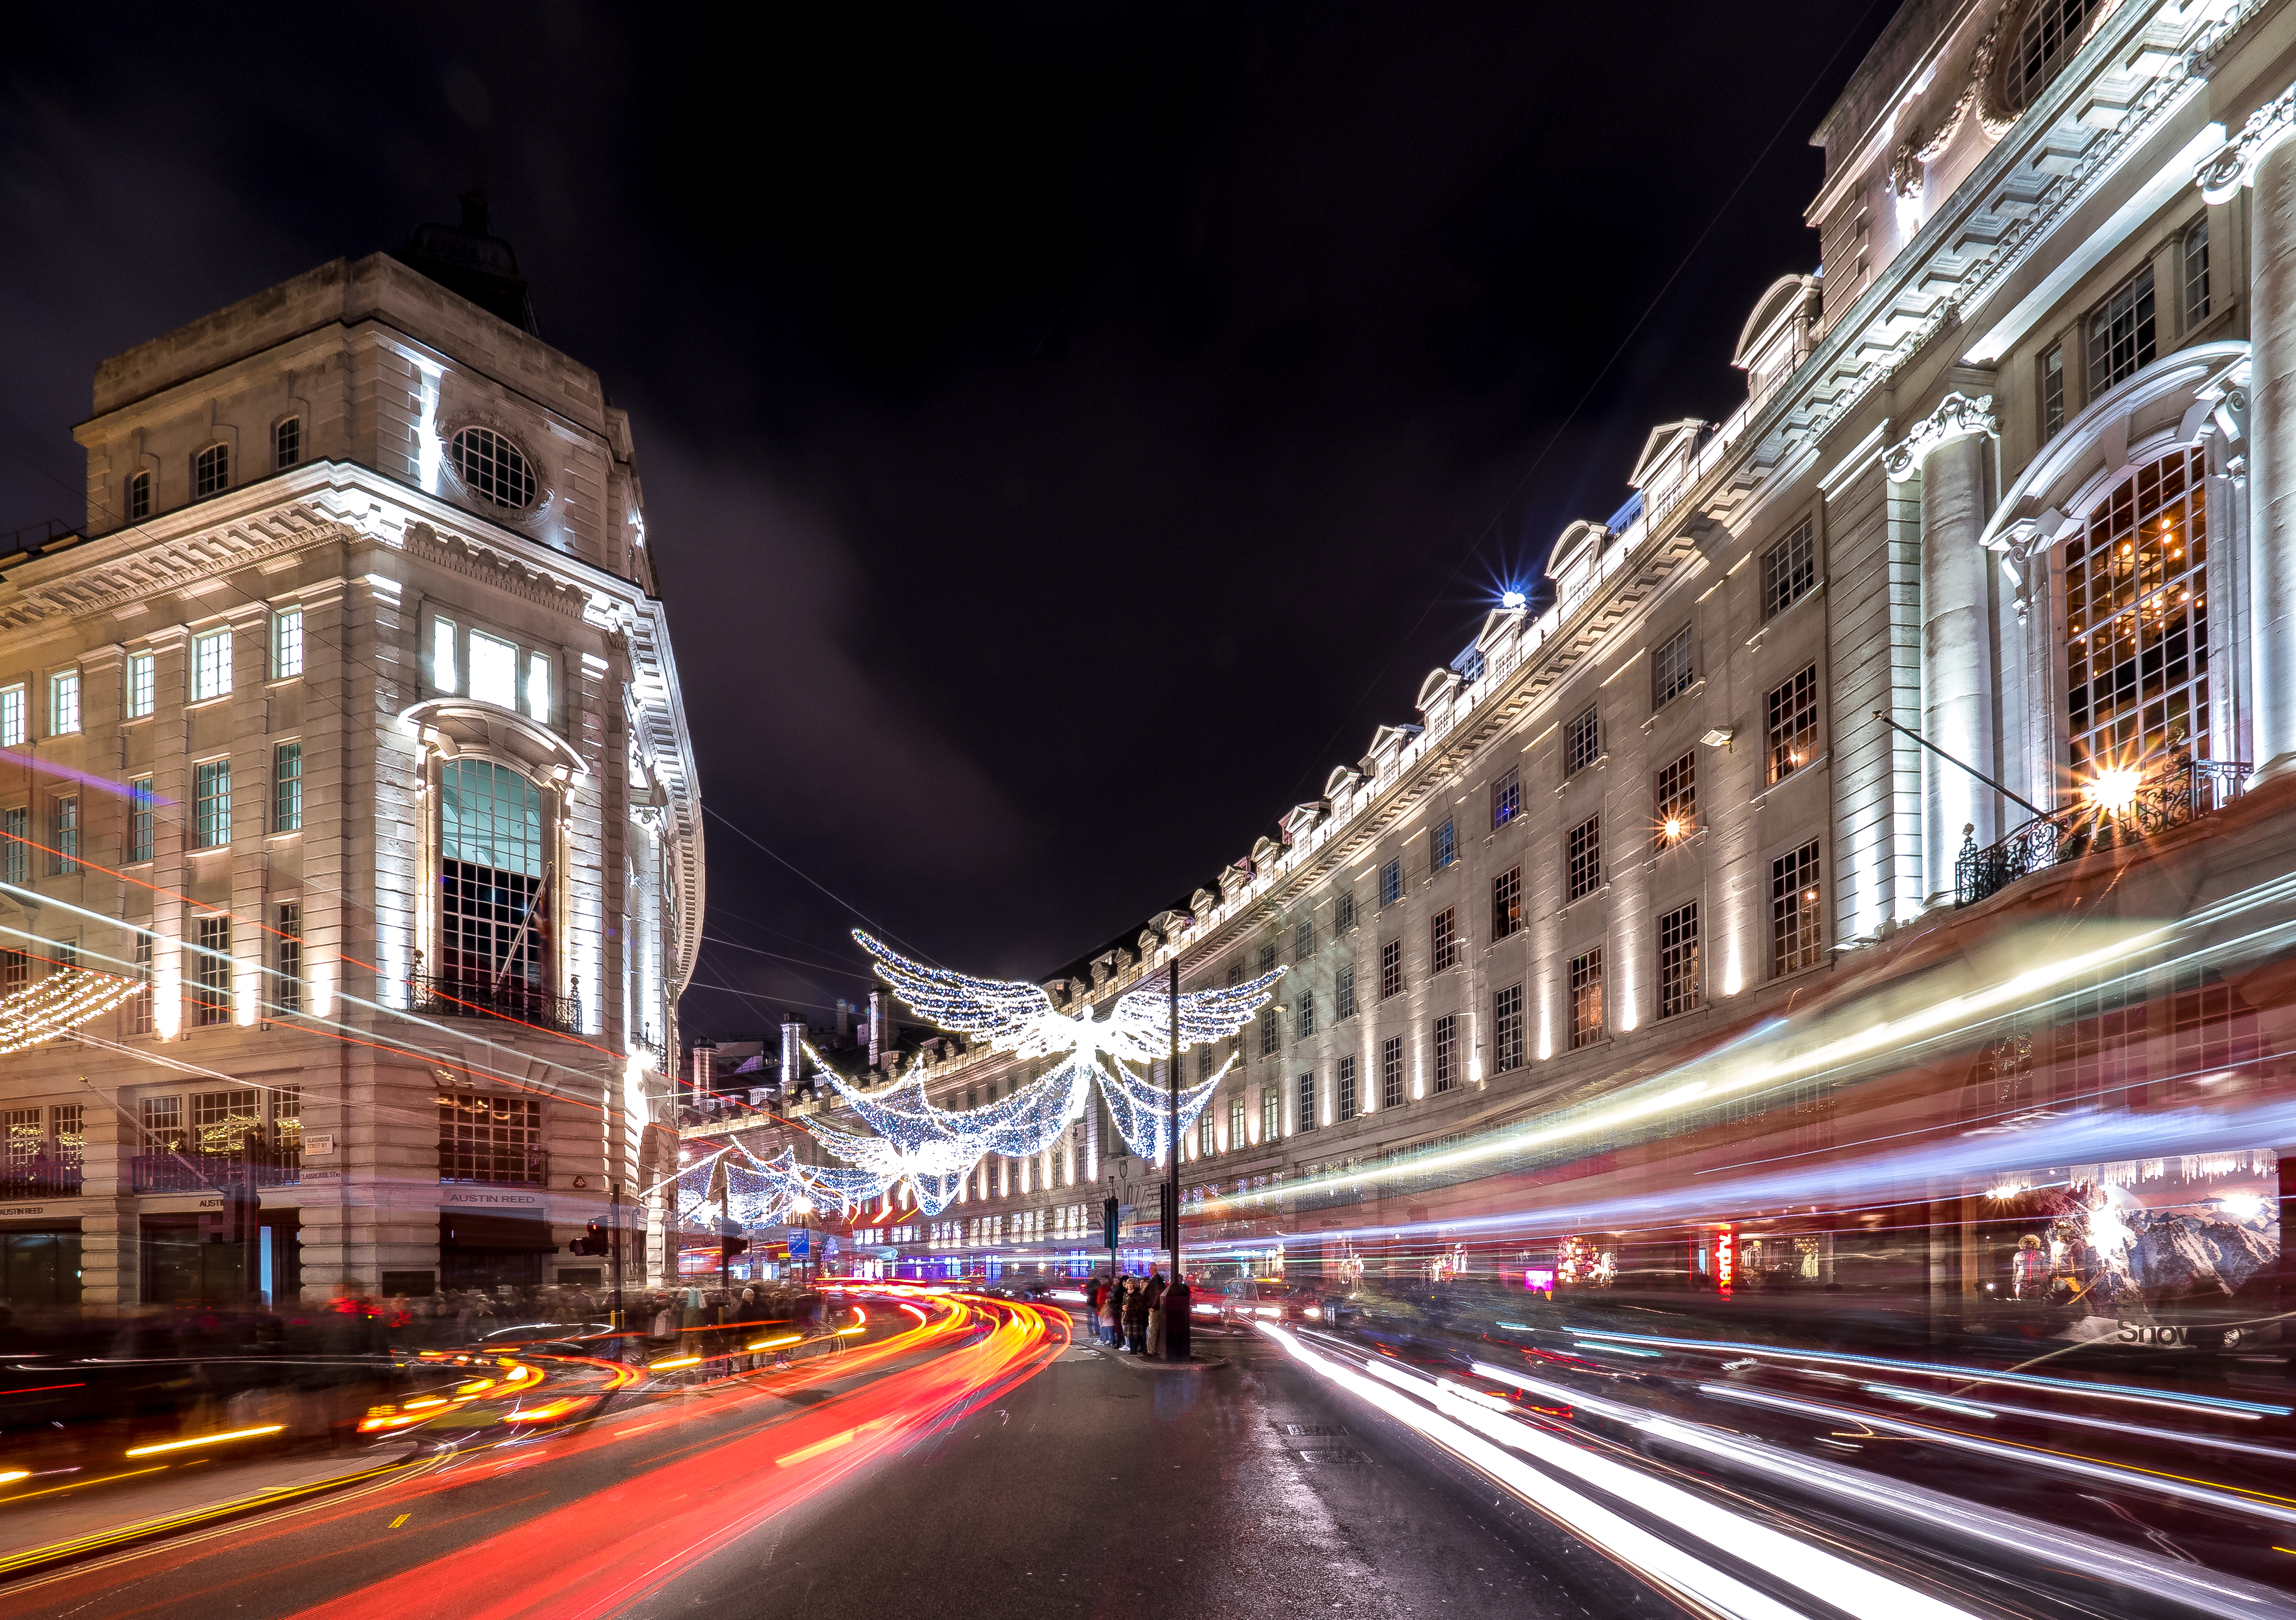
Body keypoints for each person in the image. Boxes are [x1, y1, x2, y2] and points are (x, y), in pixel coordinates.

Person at [1164, 1274, 1192, 1361]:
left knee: (1177, 1334)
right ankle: (1179, 1353)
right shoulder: (1184, 1288)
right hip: (1180, 1313)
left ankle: (1177, 1353)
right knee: (1178, 1334)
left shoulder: (1174, 1288)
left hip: (1177, 1314)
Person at [1123, 1276, 1150, 1354]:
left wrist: (1129, 1307)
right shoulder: (1126, 1294)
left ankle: (1134, 1351)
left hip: (1135, 1316)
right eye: (1129, 1284)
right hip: (1128, 1316)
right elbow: (1124, 1303)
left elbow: (1139, 1305)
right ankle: (1131, 1350)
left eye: (1131, 1284)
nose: (1130, 1285)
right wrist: (1124, 1308)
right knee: (1130, 1335)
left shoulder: (1137, 1294)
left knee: (1135, 1335)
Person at [1144, 1273, 1166, 1359]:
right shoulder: (1156, 1279)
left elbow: (1158, 1293)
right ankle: (1154, 1349)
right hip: (1155, 1307)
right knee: (1154, 1329)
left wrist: (1153, 1306)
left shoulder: (1157, 1279)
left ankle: (1151, 1350)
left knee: (1153, 1329)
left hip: (1155, 1308)